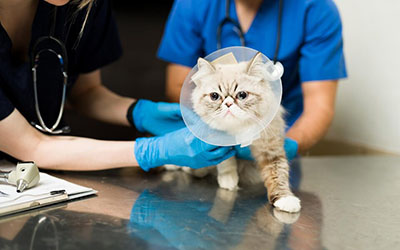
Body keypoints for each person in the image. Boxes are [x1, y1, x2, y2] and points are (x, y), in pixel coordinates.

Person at [0, 0, 235, 171]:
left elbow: (85, 93)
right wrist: (154, 151)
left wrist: (140, 113)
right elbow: (32, 147)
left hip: (39, 177)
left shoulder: (84, 5)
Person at [157, 0, 347, 159]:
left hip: (279, 132)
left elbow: (319, 106)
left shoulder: (315, 9)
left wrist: (282, 148)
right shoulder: (193, 4)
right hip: (211, 137)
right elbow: (178, 86)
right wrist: (214, 134)